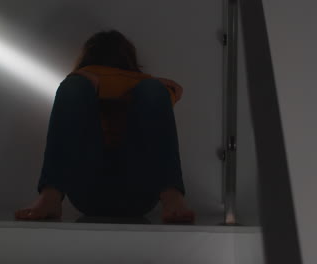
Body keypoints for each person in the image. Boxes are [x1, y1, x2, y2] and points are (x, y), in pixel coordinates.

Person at [14, 30, 195, 223]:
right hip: (110, 192)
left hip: (113, 193)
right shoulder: (88, 86)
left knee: (149, 90)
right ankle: (171, 195)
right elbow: (176, 90)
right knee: (77, 85)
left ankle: (50, 195)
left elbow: (174, 91)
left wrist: (98, 81)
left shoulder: (95, 83)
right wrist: (131, 83)